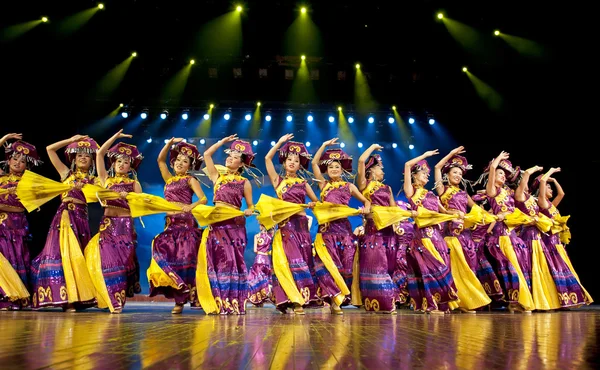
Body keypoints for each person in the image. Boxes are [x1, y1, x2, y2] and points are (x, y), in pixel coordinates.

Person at [30, 135, 99, 312]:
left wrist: (97, 149)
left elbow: (101, 161)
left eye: (87, 155)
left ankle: (79, 297)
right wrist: (71, 140)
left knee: (78, 257)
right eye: (79, 155)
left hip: (82, 219)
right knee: (65, 255)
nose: (83, 157)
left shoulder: (95, 181)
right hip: (65, 217)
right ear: (74, 160)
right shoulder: (65, 174)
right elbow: (50, 150)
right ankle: (67, 299)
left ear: (92, 161)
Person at [84, 129, 143, 314]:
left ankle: (119, 298)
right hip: (107, 225)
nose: (122, 164)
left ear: (131, 167)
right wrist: (115, 138)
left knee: (123, 264)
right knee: (108, 262)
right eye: (119, 161)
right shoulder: (105, 180)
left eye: (126, 162)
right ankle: (111, 300)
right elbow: (100, 153)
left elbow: (141, 207)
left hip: (125, 226)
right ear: (114, 163)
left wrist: (131, 197)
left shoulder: (134, 184)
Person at [148, 138, 207, 314]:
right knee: (162, 250)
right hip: (170, 224)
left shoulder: (190, 180)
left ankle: (181, 302)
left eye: (185, 161)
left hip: (186, 225)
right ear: (173, 163)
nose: (181, 163)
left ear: (189, 166)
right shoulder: (169, 179)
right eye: (179, 160)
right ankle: (178, 294)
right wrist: (169, 144)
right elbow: (160, 160)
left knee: (185, 261)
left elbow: (203, 198)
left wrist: (191, 206)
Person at [311, 138, 370, 314]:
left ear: (342, 169)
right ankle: (332, 299)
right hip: (327, 231)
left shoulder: (349, 186)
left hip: (344, 232)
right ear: (326, 171)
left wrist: (365, 209)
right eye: (331, 167)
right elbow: (314, 162)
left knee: (345, 265)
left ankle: (341, 297)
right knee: (329, 265)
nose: (334, 169)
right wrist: (323, 145)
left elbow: (366, 200)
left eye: (337, 167)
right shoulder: (323, 185)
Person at [199, 134, 254, 315]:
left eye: (236, 157)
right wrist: (222, 142)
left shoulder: (244, 182)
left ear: (242, 164)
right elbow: (207, 155)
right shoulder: (217, 176)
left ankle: (233, 302)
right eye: (229, 155)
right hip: (217, 224)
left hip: (235, 225)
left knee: (232, 261)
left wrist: (249, 210)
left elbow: (251, 205)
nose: (230, 158)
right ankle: (218, 301)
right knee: (218, 261)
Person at [265, 134, 320, 314]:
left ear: (300, 165)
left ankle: (301, 298)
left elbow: (316, 202)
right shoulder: (277, 181)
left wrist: (313, 204)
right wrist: (280, 142)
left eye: (296, 161)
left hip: (302, 226)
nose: (292, 162)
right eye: (289, 159)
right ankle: (294, 301)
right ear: (284, 162)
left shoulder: (303, 183)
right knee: (289, 261)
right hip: (286, 227)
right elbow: (267, 158)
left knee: (303, 260)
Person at [434, 146, 492, 312]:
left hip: (464, 236)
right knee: (452, 269)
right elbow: (437, 167)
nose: (458, 175)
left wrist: (489, 215)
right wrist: (451, 154)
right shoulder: (442, 190)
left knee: (467, 269)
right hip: (449, 235)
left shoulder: (463, 193)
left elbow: (476, 210)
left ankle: (466, 302)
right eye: (454, 172)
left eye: (460, 173)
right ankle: (452, 302)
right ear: (447, 175)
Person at [403, 150, 459, 314]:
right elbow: (407, 165)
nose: (427, 176)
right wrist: (424, 156)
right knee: (430, 271)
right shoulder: (411, 192)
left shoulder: (431, 194)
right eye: (424, 173)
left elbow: (444, 213)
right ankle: (432, 304)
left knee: (441, 269)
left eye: (428, 173)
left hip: (438, 238)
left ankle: (441, 304)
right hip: (423, 238)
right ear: (414, 175)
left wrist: (459, 215)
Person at [482, 151, 534, 313]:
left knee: (520, 268)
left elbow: (521, 194)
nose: (503, 176)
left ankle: (518, 301)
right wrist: (497, 161)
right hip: (501, 236)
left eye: (504, 175)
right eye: (500, 173)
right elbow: (492, 171)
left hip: (513, 236)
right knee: (511, 269)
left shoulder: (507, 193)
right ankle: (514, 301)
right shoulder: (492, 191)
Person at [355, 144, 400, 313]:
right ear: (371, 171)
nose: (383, 172)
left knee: (389, 266)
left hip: (388, 232)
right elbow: (360, 161)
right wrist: (371, 147)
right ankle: (381, 302)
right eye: (381, 168)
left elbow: (393, 209)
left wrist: (398, 223)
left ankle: (388, 299)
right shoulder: (364, 185)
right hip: (373, 231)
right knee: (376, 265)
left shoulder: (387, 188)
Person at [0, 134, 42, 310]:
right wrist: (4, 139)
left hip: (18, 224)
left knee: (15, 258)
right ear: (8, 160)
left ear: (28, 166)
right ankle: (4, 297)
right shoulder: (0, 177)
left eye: (22, 161)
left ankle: (17, 298)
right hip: (1, 223)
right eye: (14, 158)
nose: (17, 162)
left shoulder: (29, 182)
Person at [247, 224, 274, 306]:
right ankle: (265, 295)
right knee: (266, 278)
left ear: (261, 226)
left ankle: (258, 299)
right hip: (266, 259)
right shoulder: (270, 236)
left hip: (258, 258)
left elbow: (255, 250)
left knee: (256, 278)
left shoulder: (257, 236)